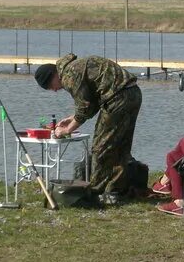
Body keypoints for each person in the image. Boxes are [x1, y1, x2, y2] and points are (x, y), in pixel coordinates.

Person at [34, 54, 142, 206]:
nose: (55, 90)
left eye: (51, 87)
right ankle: (115, 192)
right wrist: (72, 118)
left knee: (100, 147)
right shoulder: (75, 66)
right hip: (132, 93)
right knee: (121, 146)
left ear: (53, 76)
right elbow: (92, 102)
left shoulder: (68, 75)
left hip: (117, 99)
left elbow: (84, 107)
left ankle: (95, 193)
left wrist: (67, 130)